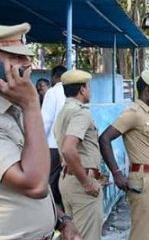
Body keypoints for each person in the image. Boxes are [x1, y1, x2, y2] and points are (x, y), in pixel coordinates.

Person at [0, 22, 80, 240]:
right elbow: (35, 185)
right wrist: (32, 103)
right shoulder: (25, 107)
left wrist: (61, 218)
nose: (28, 64)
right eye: (16, 57)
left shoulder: (14, 111)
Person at [99, 70, 149, 240]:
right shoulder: (133, 112)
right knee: (141, 232)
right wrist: (116, 173)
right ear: (147, 90)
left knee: (146, 229)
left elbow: (147, 149)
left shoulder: (147, 112)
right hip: (142, 179)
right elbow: (105, 138)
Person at [54, 69, 103, 240]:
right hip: (81, 184)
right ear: (82, 90)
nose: (90, 91)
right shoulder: (81, 112)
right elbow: (68, 149)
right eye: (88, 87)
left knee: (72, 234)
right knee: (86, 236)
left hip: (68, 179)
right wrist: (87, 182)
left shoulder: (63, 112)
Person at [41, 65, 67, 208]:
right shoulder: (71, 91)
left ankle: (52, 210)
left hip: (52, 144)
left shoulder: (52, 92)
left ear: (55, 77)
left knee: (52, 179)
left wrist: (39, 144)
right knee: (66, 177)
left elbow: (46, 120)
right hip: (69, 144)